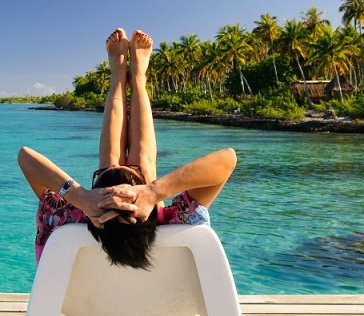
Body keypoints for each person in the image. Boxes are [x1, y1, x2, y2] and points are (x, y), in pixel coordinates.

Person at [18, 28, 237, 269]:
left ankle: (119, 78)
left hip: (86, 306)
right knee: (137, 163)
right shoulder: (178, 225)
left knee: (121, 164)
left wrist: (80, 197)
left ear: (93, 218)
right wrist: (153, 191)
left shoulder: (65, 223)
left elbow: (25, 157)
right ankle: (137, 80)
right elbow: (227, 159)